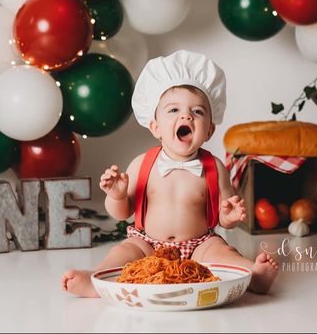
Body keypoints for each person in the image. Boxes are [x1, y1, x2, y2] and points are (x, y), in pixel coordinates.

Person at [62, 50, 278, 297]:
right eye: (173, 110)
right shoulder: (142, 164)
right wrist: (117, 195)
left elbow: (223, 216)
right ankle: (96, 279)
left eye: (197, 112)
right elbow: (122, 213)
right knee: (122, 253)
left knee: (223, 253)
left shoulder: (214, 167)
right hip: (148, 243)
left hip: (199, 244)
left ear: (209, 130)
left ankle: (254, 275)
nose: (186, 115)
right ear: (155, 127)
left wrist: (230, 216)